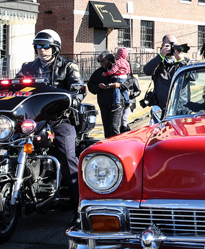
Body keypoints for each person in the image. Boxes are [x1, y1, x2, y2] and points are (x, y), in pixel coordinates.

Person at [16, 29, 84, 204]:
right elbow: (14, 89)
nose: (42, 49)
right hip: (32, 121)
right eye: (38, 46)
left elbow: (78, 87)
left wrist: (74, 97)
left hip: (59, 119)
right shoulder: (27, 68)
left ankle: (78, 205)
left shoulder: (68, 67)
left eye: (46, 46)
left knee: (68, 157)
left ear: (55, 48)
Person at [143, 34, 189, 113]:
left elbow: (194, 76)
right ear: (162, 45)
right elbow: (147, 71)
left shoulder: (185, 61)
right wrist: (160, 56)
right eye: (169, 45)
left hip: (181, 107)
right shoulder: (159, 62)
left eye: (174, 45)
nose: (172, 48)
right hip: (161, 108)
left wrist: (181, 61)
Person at [87, 52, 125, 139]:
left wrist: (119, 85)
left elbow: (130, 82)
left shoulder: (120, 69)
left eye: (103, 61)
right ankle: (107, 146)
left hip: (117, 103)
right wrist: (98, 86)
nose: (102, 64)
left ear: (110, 59)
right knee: (107, 127)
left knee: (114, 126)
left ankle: (116, 145)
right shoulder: (98, 72)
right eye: (100, 62)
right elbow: (90, 85)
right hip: (104, 103)